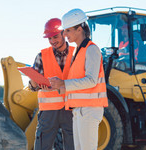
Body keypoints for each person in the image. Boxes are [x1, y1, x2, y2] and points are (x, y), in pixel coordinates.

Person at [49, 9, 108, 150]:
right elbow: (77, 84)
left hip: (89, 110)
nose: (64, 34)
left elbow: (91, 80)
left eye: (68, 30)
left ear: (79, 29)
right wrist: (57, 86)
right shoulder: (77, 51)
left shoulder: (92, 49)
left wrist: (64, 83)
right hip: (79, 110)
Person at [29, 18, 75, 150]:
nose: (53, 41)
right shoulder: (41, 56)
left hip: (71, 108)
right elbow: (32, 86)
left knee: (73, 146)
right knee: (42, 146)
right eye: (49, 38)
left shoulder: (76, 54)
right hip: (48, 112)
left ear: (64, 34)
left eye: (55, 36)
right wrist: (35, 81)